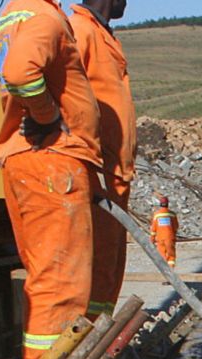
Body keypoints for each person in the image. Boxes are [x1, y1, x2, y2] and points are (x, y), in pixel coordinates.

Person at [0, 0, 101, 359]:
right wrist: (48, 114)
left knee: (45, 280)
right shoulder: (43, 17)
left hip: (28, 161)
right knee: (61, 285)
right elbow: (21, 73)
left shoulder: (9, 20)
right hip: (54, 161)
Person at [69, 0, 135, 320]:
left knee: (109, 268)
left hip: (115, 178)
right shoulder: (81, 32)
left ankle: (100, 342)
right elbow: (66, 99)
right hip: (99, 177)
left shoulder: (102, 34)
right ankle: (87, 342)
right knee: (94, 269)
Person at [150, 194, 177, 266]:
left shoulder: (157, 215)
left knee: (162, 254)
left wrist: (152, 240)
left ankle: (163, 270)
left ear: (160, 204)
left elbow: (153, 229)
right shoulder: (172, 214)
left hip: (160, 238)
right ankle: (171, 270)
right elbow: (175, 227)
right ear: (168, 204)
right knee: (171, 255)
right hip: (170, 238)